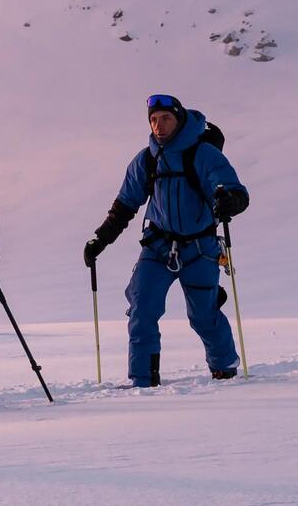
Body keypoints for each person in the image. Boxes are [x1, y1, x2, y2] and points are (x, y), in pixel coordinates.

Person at [83, 93, 249, 386]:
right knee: (141, 308)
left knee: (203, 316)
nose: (158, 126)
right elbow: (124, 206)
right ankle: (143, 381)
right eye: (153, 120)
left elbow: (234, 189)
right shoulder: (146, 160)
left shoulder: (203, 154)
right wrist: (100, 239)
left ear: (179, 119)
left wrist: (229, 199)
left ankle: (225, 368)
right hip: (158, 247)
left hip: (200, 249)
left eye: (165, 119)